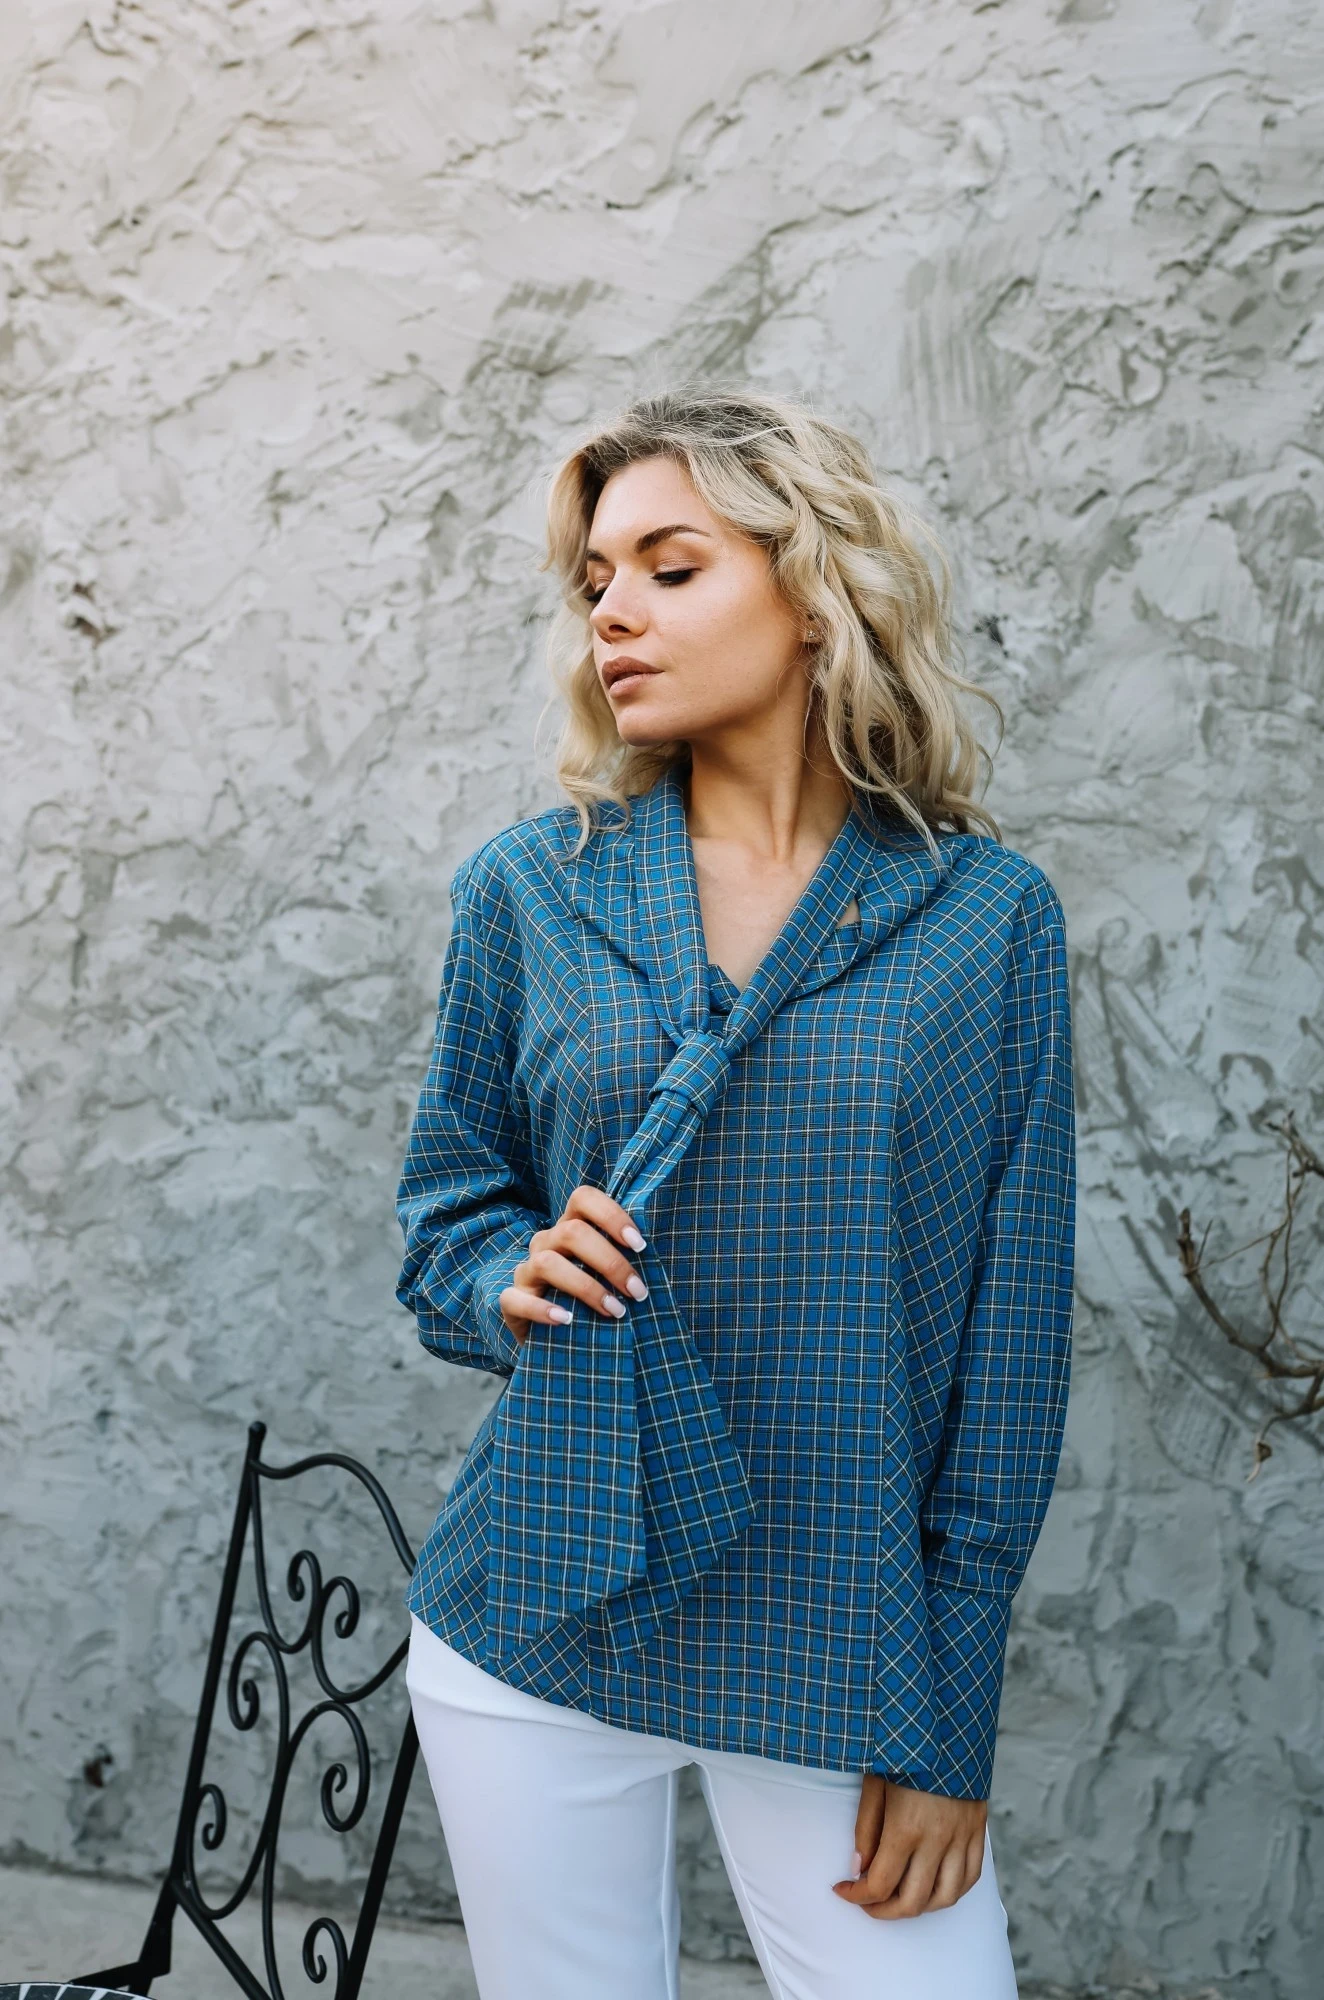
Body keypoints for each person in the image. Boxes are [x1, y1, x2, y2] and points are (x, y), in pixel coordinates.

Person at [395, 387, 1076, 2000]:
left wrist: (949, 1704)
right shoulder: (531, 889)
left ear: (813, 589)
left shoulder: (986, 918)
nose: (612, 611)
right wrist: (508, 1272)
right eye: (596, 581)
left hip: (838, 1626)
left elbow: (1013, 1338)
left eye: (671, 566)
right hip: (543, 1599)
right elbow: (446, 1214)